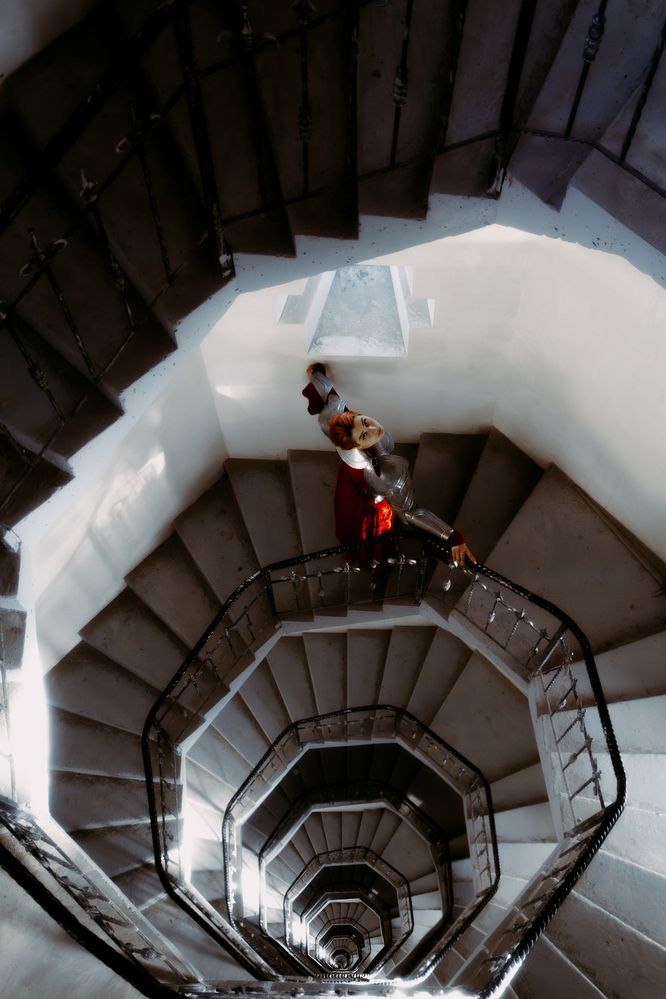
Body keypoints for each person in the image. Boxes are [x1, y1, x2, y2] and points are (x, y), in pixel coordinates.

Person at [302, 363, 476, 567]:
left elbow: (332, 406)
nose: (374, 428)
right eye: (366, 434)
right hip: (369, 503)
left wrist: (317, 377)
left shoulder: (344, 430)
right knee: (370, 539)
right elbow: (409, 513)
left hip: (351, 485)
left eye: (365, 421)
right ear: (358, 444)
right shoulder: (387, 474)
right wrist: (453, 537)